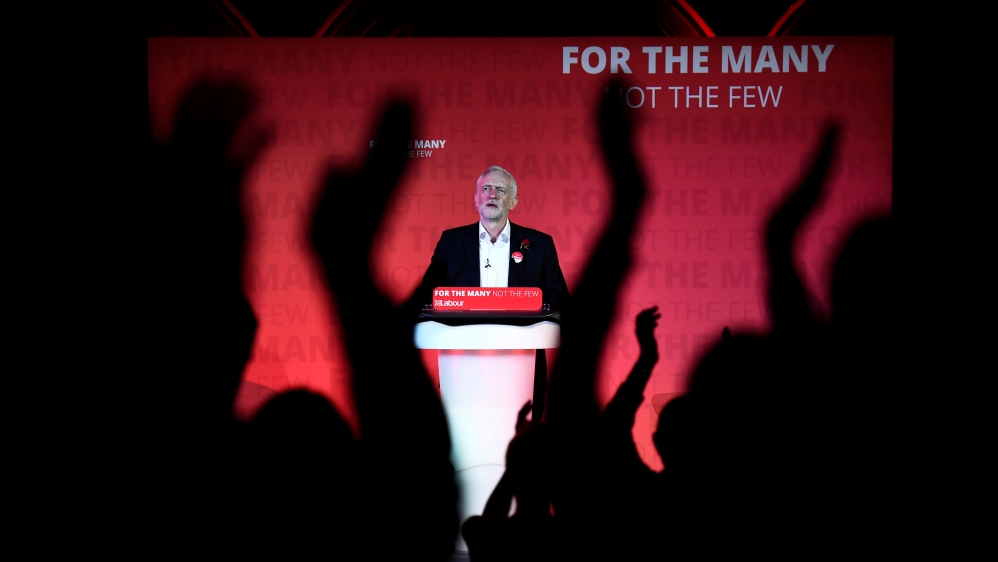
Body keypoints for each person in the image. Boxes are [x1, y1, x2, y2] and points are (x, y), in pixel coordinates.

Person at [411, 165, 571, 311]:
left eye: (500, 190)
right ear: (476, 199)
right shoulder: (452, 243)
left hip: (519, 333)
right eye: (486, 189)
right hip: (465, 332)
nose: (492, 195)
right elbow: (427, 297)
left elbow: (559, 302)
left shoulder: (540, 246)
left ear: (513, 202)